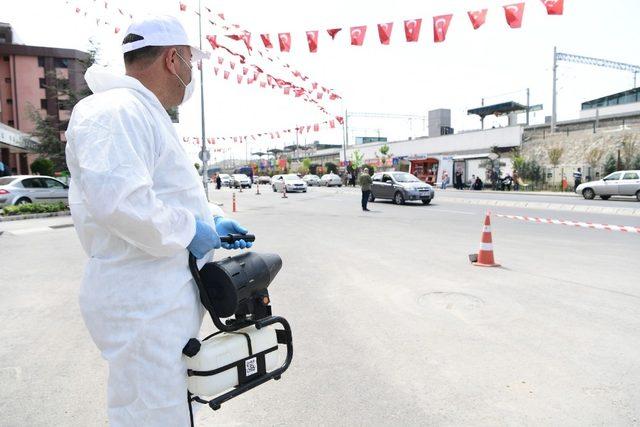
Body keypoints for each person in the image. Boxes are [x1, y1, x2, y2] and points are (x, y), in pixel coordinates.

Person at [65, 15, 253, 425]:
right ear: (173, 60)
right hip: (141, 304)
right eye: (190, 60)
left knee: (166, 406)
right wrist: (191, 231)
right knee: (150, 414)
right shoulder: (114, 111)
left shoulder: (142, 113)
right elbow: (121, 202)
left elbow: (167, 195)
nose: (191, 71)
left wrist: (213, 222)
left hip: (157, 300)